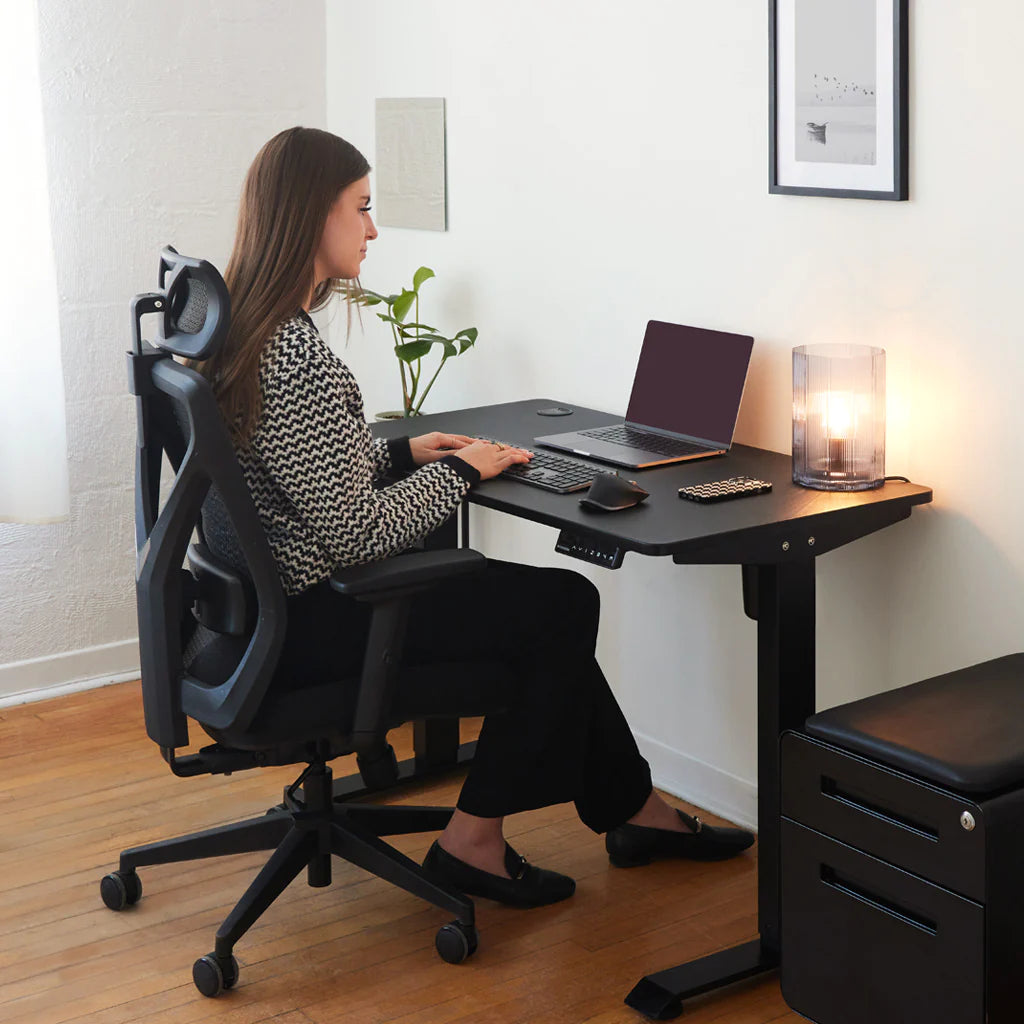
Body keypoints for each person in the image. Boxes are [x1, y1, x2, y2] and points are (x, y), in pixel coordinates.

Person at [197, 126, 753, 908]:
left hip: (259, 619)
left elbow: (294, 477)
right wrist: (464, 468)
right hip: (317, 622)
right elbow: (355, 534)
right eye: (360, 208)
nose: (373, 228)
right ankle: (474, 841)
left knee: (543, 619)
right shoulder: (290, 352)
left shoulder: (236, 331)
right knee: (562, 608)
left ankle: (636, 812)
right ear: (310, 216)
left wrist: (405, 454)